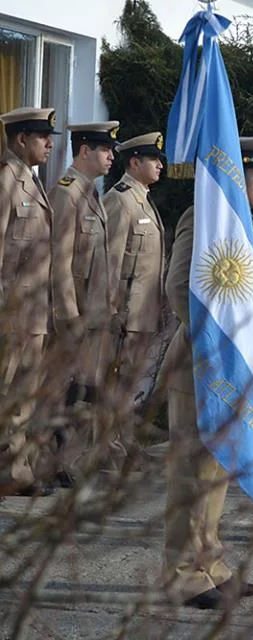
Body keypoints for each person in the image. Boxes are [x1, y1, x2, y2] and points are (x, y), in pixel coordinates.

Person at [159, 137, 253, 609]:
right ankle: (182, 574)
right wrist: (216, 342)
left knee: (217, 468)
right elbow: (178, 285)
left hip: (234, 366)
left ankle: (210, 562)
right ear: (234, 174)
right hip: (201, 365)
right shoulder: (201, 218)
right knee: (191, 471)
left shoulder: (250, 226)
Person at [0, 107, 59, 496]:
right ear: (22, 140)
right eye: (43, 138)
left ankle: (15, 472)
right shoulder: (6, 180)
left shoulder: (32, 182)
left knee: (22, 397)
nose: (51, 144)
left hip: (33, 313)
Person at [48, 122, 120, 425]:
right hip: (75, 318)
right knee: (62, 394)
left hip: (94, 317)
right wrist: (69, 317)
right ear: (84, 150)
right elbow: (59, 262)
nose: (111, 156)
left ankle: (71, 462)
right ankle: (53, 465)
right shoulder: (67, 194)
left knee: (84, 396)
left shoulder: (90, 194)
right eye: (105, 149)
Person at [104, 132, 167, 415]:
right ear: (134, 162)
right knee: (115, 385)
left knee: (131, 386)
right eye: (153, 159)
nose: (160, 165)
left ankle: (120, 443)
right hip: (126, 315)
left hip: (143, 314)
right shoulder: (120, 200)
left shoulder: (143, 199)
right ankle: (109, 448)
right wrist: (113, 310)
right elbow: (110, 262)